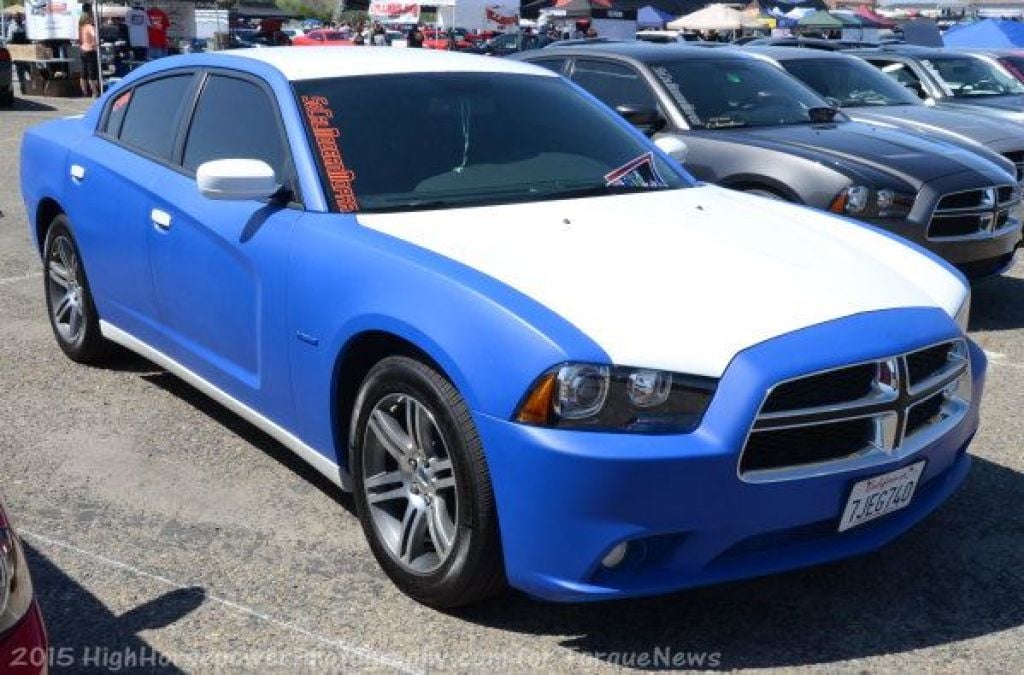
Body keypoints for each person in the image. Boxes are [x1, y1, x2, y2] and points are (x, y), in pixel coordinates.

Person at [79, 12, 100, 98]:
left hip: (82, 50)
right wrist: (96, 43)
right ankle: (95, 92)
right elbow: (95, 35)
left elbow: (80, 40)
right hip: (90, 50)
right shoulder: (90, 27)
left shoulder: (81, 28)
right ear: (89, 19)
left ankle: (84, 92)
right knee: (92, 73)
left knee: (83, 73)